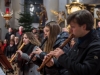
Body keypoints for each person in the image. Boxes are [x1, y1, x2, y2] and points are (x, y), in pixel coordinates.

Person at [45, 10, 100, 75]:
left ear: (84, 27)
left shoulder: (96, 46)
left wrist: (62, 57)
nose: (70, 30)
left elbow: (86, 71)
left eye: (73, 27)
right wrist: (53, 63)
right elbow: (70, 64)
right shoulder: (79, 41)